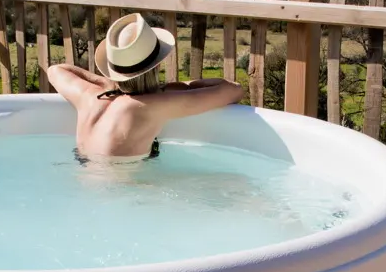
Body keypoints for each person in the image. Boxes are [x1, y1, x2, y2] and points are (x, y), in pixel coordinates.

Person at [46, 12, 245, 163]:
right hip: (120, 191)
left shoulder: (90, 97)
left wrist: (108, 84)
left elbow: (56, 70)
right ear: (155, 66)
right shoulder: (152, 105)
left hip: (84, 173)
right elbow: (233, 90)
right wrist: (177, 88)